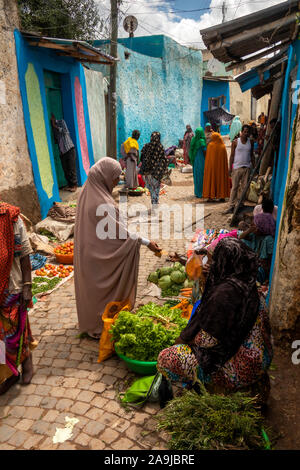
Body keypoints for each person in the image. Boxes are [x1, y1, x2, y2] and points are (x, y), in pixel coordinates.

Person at [157, 238, 273, 393]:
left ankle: (215, 384)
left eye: (214, 261)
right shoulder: (248, 282)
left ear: (224, 262)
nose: (210, 265)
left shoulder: (225, 294)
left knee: (168, 358)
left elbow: (206, 341)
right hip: (260, 357)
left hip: (242, 365)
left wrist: (182, 341)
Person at [74, 157, 161, 339]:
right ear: (104, 176)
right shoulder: (102, 202)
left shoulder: (87, 192)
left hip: (88, 253)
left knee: (94, 291)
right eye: (115, 178)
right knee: (102, 291)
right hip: (100, 255)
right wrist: (147, 243)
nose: (116, 183)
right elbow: (121, 234)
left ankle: (92, 322)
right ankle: (101, 325)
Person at [0, 203, 37, 394]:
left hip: (10, 287)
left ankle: (26, 363)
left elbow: (24, 255)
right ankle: (9, 373)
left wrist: (27, 286)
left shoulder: (11, 217)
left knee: (14, 334)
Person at [239, 203, 276, 279]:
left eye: (256, 226)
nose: (254, 228)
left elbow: (268, 264)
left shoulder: (268, 239)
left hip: (261, 271)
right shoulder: (255, 235)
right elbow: (240, 237)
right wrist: (249, 230)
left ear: (263, 227)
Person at [225, 124, 255, 214]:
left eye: (247, 132)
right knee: (234, 187)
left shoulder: (251, 142)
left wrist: (255, 167)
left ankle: (240, 205)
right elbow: (232, 155)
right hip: (237, 168)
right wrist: (230, 168)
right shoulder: (235, 142)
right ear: (241, 132)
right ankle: (231, 206)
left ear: (249, 133)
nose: (246, 134)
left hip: (247, 168)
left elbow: (252, 155)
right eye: (244, 132)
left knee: (244, 188)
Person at [140, 132, 168, 207]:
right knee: (156, 188)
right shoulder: (160, 147)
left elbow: (141, 157)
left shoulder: (146, 146)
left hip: (147, 172)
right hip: (157, 172)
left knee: (151, 188)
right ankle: (155, 203)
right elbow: (164, 159)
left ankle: (153, 202)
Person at [51, 114, 78, 192]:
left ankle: (74, 185)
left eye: (52, 118)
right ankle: (70, 185)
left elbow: (65, 131)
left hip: (69, 149)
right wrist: (54, 128)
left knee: (71, 168)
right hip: (62, 152)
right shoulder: (54, 129)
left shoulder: (61, 122)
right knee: (66, 170)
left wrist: (54, 123)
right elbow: (56, 140)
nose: (51, 119)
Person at [202, 132, 230, 202]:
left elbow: (208, 159)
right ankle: (222, 196)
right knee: (221, 179)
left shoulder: (210, 146)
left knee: (212, 179)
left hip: (212, 168)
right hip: (221, 169)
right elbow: (225, 160)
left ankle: (211, 196)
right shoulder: (223, 146)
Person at [189, 127, 207, 199]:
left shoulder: (193, 139)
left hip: (195, 160)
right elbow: (205, 151)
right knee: (202, 175)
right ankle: (202, 192)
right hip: (201, 160)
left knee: (196, 176)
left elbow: (191, 150)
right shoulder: (202, 141)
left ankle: (197, 192)